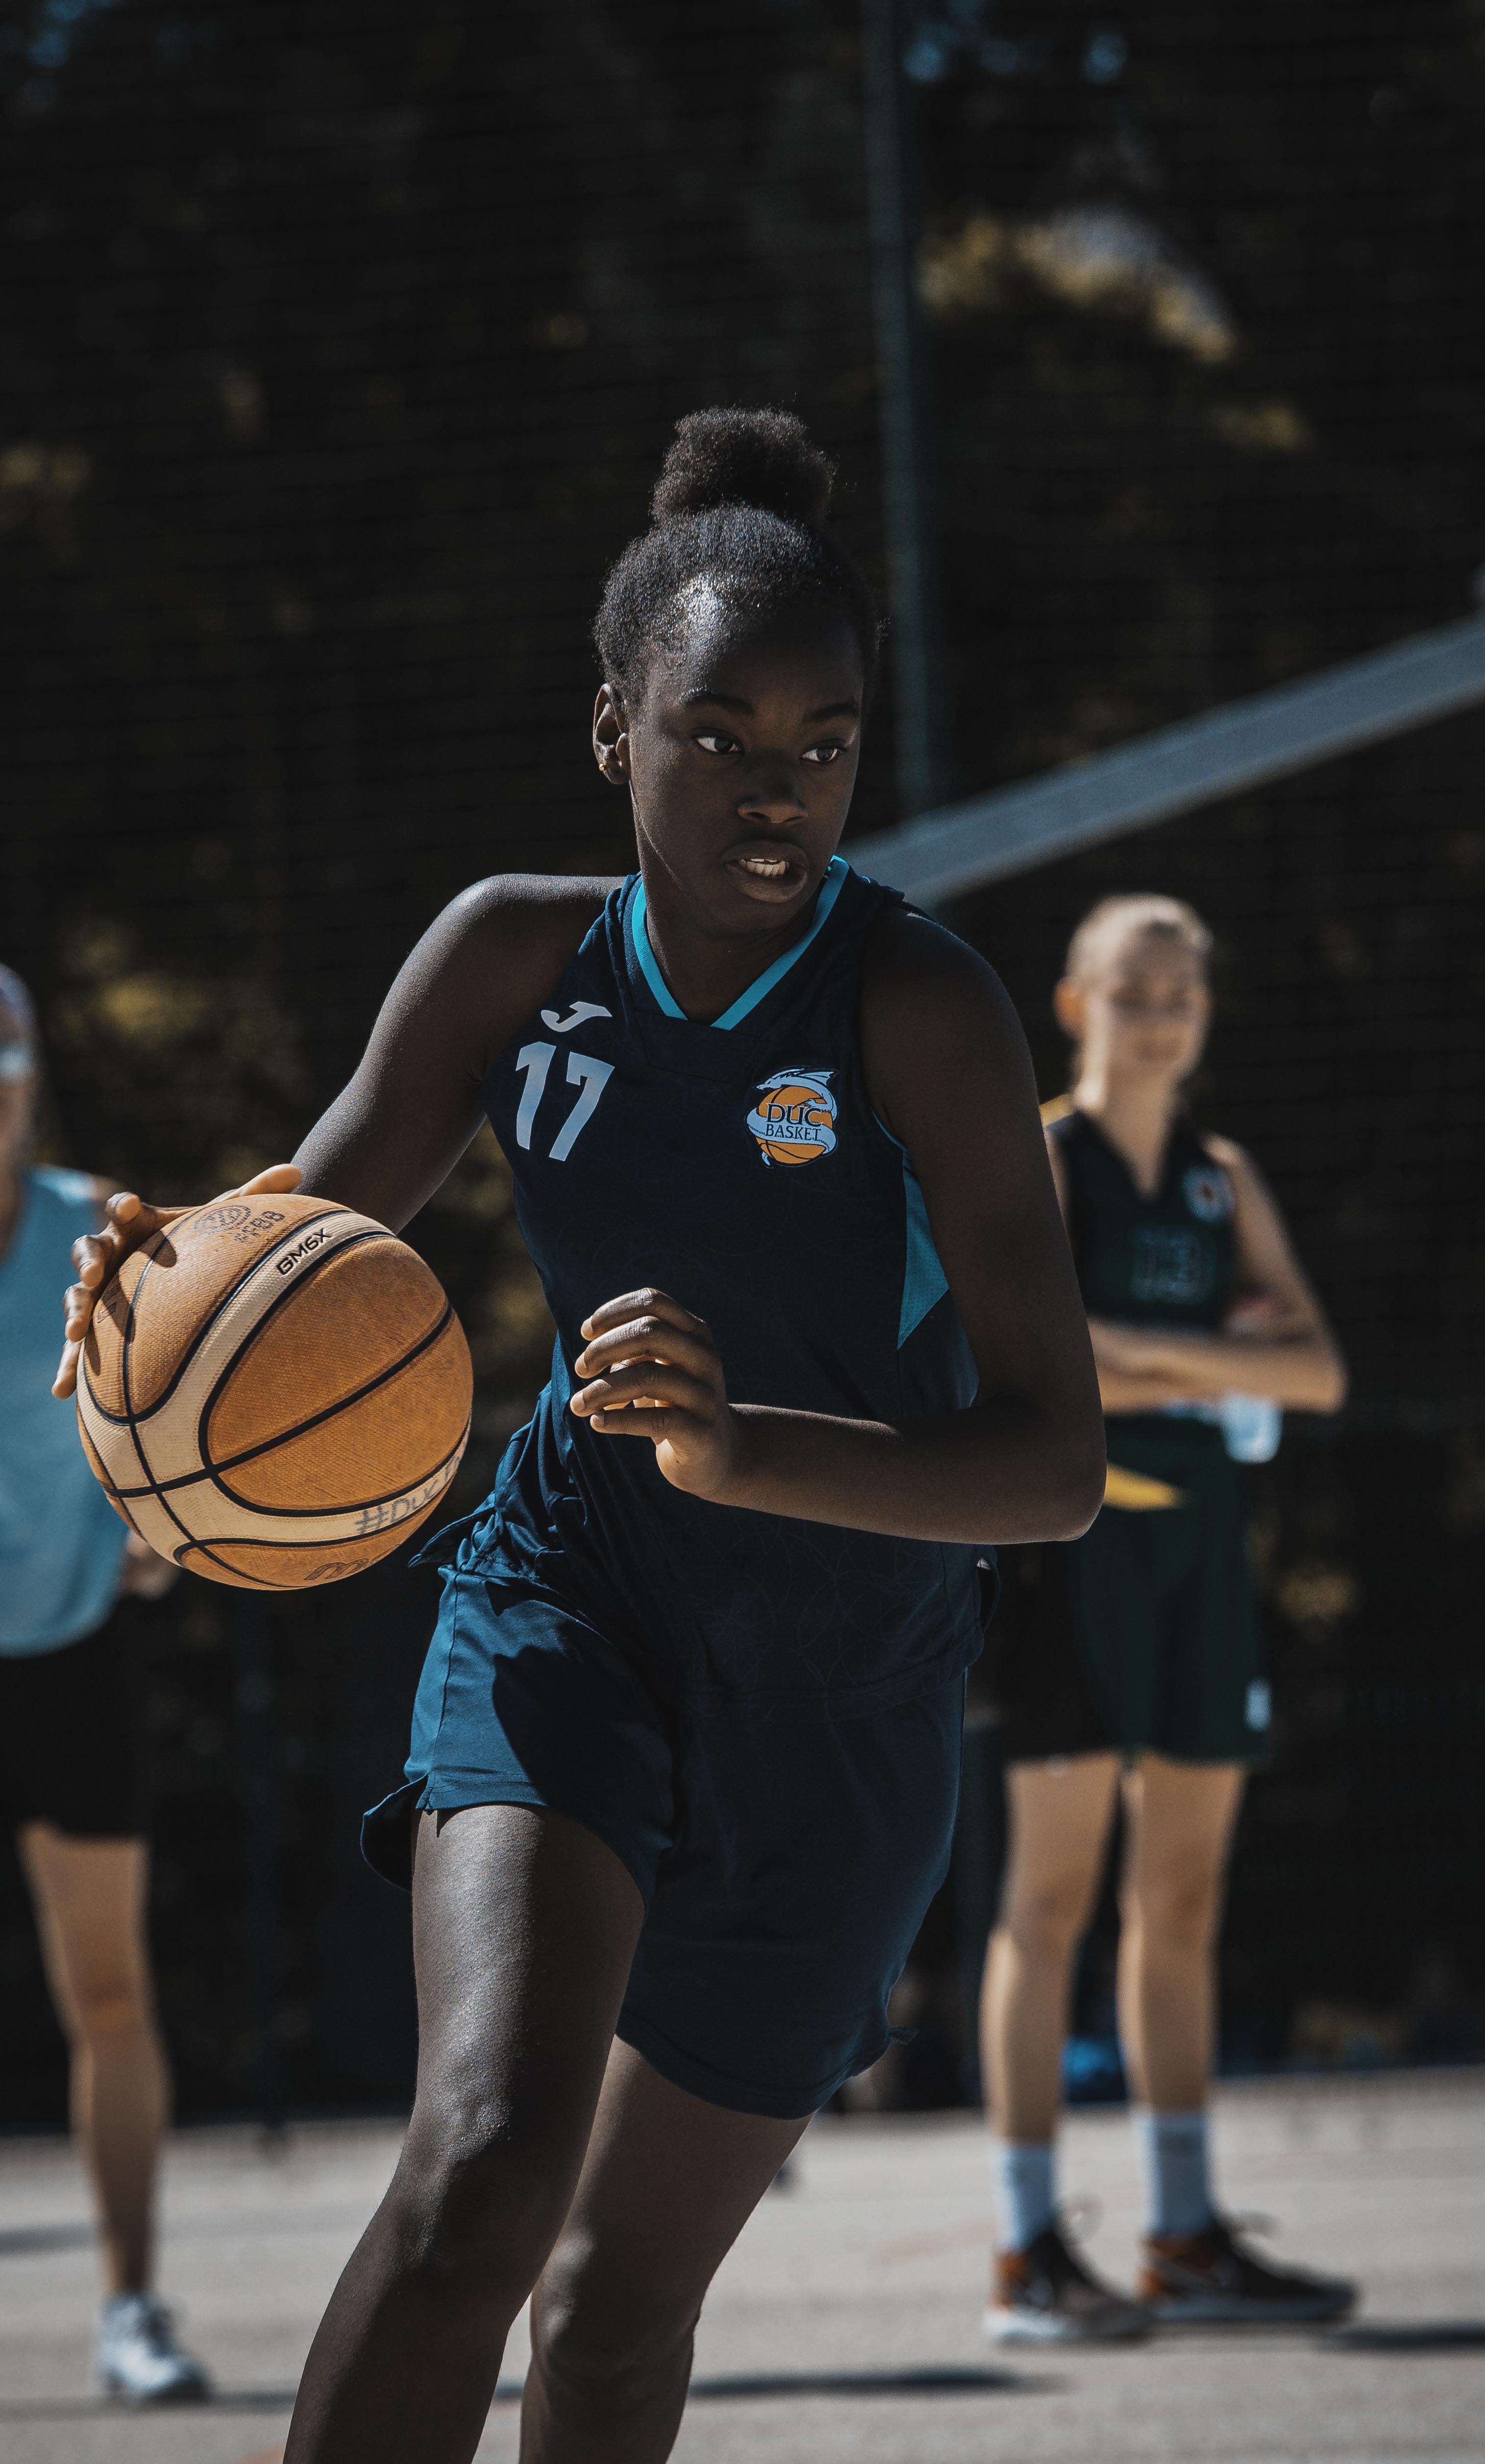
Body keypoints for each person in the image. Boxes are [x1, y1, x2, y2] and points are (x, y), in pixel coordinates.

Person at [57, 408, 1108, 2464]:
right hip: (572, 1601)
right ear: (612, 728)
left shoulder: (917, 1008)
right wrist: (158, 1300)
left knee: (613, 2320)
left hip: (844, 1697)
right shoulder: (509, 959)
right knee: (477, 2179)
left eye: (822, 744)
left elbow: (1051, 1462)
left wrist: (747, 1447)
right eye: (717, 735)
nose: (775, 787)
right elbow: (299, 1248)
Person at [979, 893, 1355, 2341]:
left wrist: (1141, 1357)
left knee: (1183, 1901)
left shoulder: (1219, 1176)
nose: (1156, 1017)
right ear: (1076, 1005)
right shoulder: (1046, 1156)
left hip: (1204, 1555)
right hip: (1081, 1555)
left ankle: (1184, 2238)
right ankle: (1024, 2251)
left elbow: (1320, 1373)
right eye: (1130, 992)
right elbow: (1027, 1356)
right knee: (1050, 1901)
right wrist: (1208, 1360)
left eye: (1180, 994)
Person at [0, 964, 211, 2403]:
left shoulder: (97, 1232)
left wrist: (165, 1529)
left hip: (74, 1645)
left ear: (27, 1083)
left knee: (108, 1991)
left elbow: (186, 1405)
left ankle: (132, 2308)